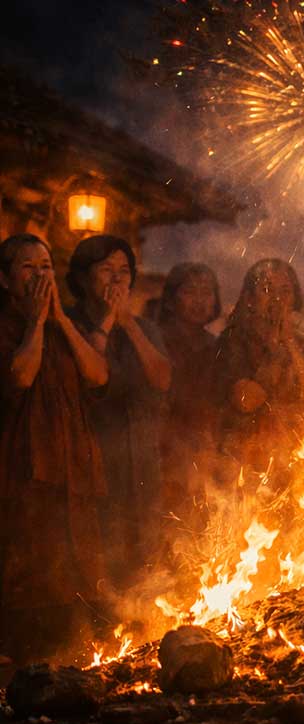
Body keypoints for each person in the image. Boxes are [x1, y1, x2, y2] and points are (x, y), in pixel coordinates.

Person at [0, 234, 109, 664]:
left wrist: (58, 319)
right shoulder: (6, 324)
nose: (40, 275)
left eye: (46, 266)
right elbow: (20, 376)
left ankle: (73, 662)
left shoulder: (67, 326)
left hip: (73, 470)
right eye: (28, 267)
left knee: (78, 570)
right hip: (23, 473)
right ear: (5, 280)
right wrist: (33, 324)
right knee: (29, 572)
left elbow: (98, 375)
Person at [66, 235, 172, 587]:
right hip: (89, 463)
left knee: (143, 563)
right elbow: (92, 380)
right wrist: (106, 323)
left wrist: (126, 322)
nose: (116, 280)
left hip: (140, 463)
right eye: (106, 270)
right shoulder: (66, 325)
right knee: (94, 565)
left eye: (124, 271)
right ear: (82, 278)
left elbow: (161, 379)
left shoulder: (144, 329)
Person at [213, 258, 304, 474]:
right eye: (267, 289)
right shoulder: (233, 341)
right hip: (244, 467)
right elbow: (246, 400)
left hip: (296, 464)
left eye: (285, 291)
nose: (277, 299)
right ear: (250, 298)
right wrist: (276, 350)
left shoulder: (302, 344)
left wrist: (289, 343)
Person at [157, 263, 222, 529]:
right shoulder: (156, 340)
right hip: (164, 455)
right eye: (190, 291)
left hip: (205, 455)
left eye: (206, 292)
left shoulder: (217, 346)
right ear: (172, 300)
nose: (199, 300)